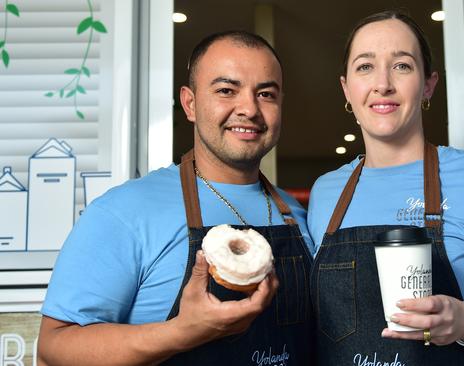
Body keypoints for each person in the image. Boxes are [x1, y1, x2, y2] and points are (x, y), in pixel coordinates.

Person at [38, 31, 315, 365]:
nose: (249, 109)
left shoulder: (296, 215)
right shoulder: (124, 212)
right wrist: (181, 332)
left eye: (266, 94)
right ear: (191, 103)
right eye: (226, 90)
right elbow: (54, 350)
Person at [307, 10, 464, 365]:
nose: (383, 83)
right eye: (365, 67)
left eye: (402, 66)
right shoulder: (325, 194)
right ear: (347, 88)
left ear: (428, 84)